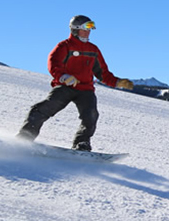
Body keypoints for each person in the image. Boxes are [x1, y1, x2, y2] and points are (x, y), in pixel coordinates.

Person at [17, 15, 134, 151]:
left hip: (86, 90)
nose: (88, 32)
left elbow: (102, 73)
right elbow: (53, 63)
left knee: (91, 116)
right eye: (85, 29)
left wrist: (118, 82)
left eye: (90, 29)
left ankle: (82, 143)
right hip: (66, 87)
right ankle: (25, 137)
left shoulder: (93, 50)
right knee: (43, 109)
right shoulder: (64, 46)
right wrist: (63, 76)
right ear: (75, 29)